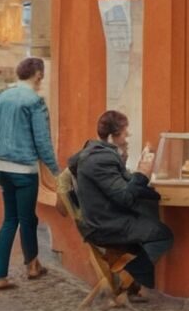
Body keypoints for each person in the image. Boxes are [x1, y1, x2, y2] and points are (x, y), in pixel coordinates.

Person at [68, 110, 173, 299]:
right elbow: (124, 197)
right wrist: (141, 173)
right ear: (111, 136)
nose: (127, 138)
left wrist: (140, 175)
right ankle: (126, 277)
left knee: (149, 221)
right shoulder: (102, 159)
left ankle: (132, 285)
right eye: (124, 134)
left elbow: (118, 185)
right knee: (163, 235)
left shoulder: (96, 154)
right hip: (105, 224)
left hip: (103, 217)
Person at [0, 57, 61, 290]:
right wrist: (55, 170)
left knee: (14, 218)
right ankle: (17, 270)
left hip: (1, 166)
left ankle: (23, 267)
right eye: (42, 75)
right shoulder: (34, 101)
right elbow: (42, 140)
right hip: (24, 168)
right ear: (38, 75)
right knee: (22, 219)